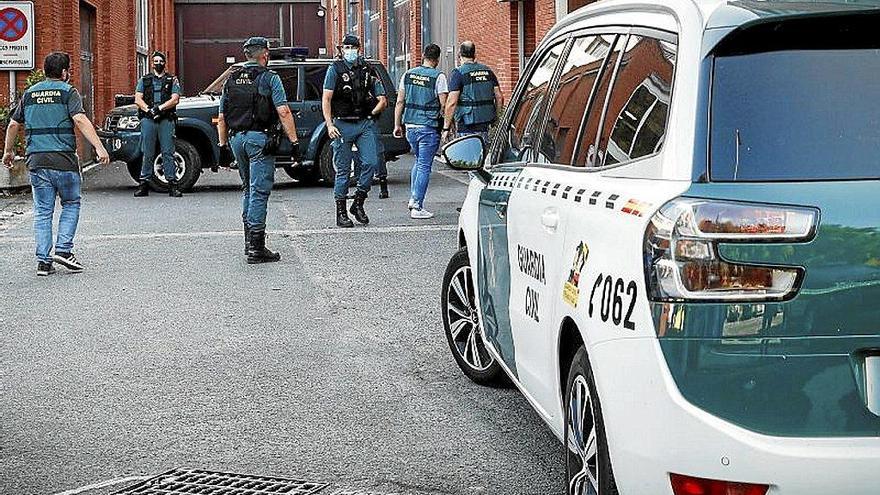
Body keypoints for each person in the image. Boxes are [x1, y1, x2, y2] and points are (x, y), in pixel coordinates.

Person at [2, 52, 110, 276]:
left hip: (37, 161)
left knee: (43, 211)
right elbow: (80, 119)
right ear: (64, 72)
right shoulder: (68, 92)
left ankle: (43, 261)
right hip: (63, 160)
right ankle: (64, 250)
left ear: (44, 71)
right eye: (68, 69)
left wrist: (8, 152)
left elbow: (13, 124)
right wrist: (99, 148)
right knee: (71, 203)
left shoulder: (30, 93)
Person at [217, 36, 299, 264]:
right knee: (259, 191)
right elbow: (283, 112)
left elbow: (222, 116)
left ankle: (248, 241)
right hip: (259, 139)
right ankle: (256, 247)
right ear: (264, 54)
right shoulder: (270, 78)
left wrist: (222, 146)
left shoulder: (232, 78)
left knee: (248, 188)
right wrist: (294, 142)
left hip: (236, 140)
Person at [322, 34, 388, 228]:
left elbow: (382, 98)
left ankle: (358, 202)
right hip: (342, 124)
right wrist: (329, 124)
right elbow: (326, 99)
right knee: (343, 170)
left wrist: (373, 112)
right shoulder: (335, 69)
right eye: (346, 48)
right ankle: (341, 212)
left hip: (363, 123)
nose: (350, 51)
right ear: (342, 49)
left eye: (353, 47)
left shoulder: (367, 69)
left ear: (359, 49)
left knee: (371, 162)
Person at [394, 43, 448, 219]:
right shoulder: (438, 77)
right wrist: (447, 124)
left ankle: (413, 197)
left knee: (418, 161)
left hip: (410, 126)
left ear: (423, 56)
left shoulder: (408, 75)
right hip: (428, 127)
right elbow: (444, 104)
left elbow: (400, 101)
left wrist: (397, 124)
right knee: (425, 165)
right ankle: (417, 206)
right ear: (437, 59)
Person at [134, 51, 182, 197]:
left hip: (165, 119)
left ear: (164, 63)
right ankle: (144, 184)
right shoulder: (145, 80)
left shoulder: (171, 80)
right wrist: (148, 110)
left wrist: (159, 108)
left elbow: (175, 99)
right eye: (155, 61)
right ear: (152, 63)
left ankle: (172, 184)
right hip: (148, 120)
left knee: (168, 152)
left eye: (160, 61)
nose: (158, 63)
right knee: (147, 152)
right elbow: (137, 99)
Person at [443, 41, 504, 144]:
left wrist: (446, 128)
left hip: (467, 127)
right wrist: (497, 119)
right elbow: (499, 97)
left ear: (459, 55)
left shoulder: (458, 73)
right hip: (486, 124)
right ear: (474, 55)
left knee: (468, 157)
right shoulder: (488, 71)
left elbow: (451, 102)